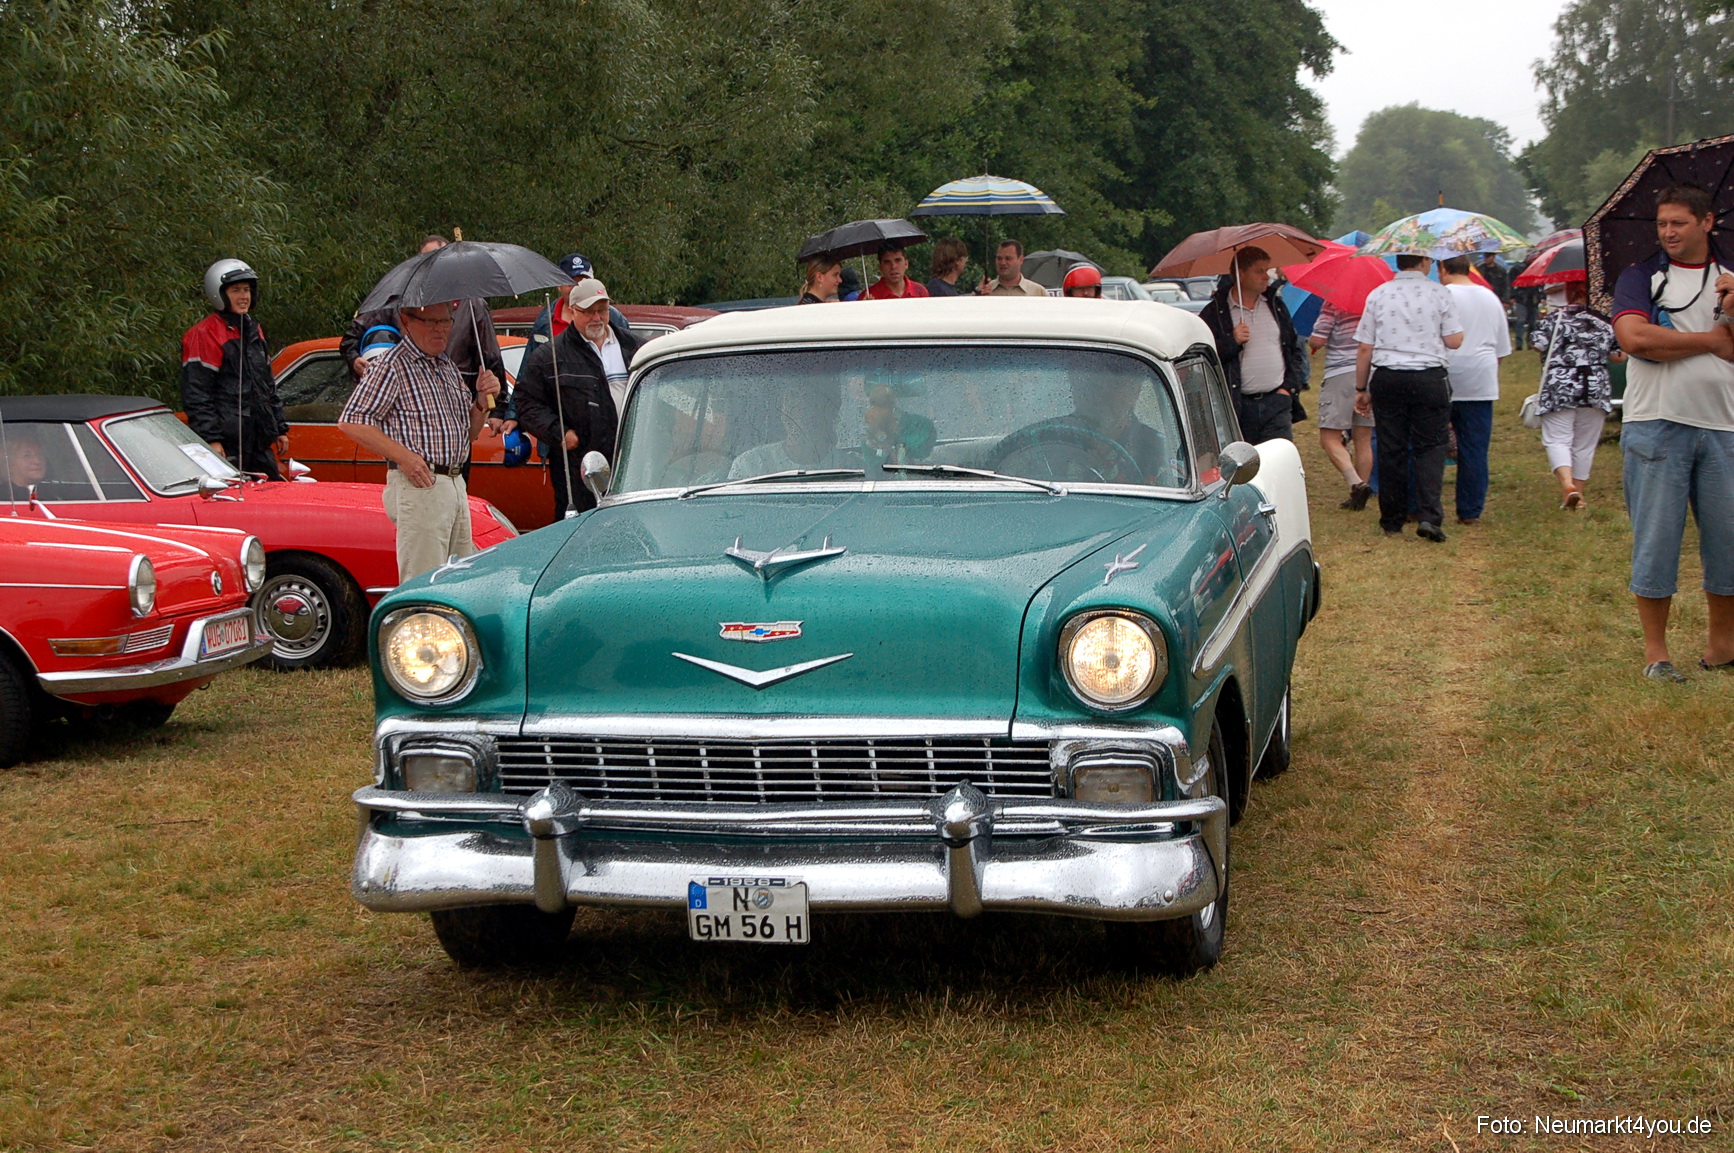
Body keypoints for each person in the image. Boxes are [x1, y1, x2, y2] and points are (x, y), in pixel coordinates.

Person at [1610, 184, 1734, 681]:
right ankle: (1656, 655)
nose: (1668, 233)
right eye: (1662, 224)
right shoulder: (1640, 277)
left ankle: (1723, 646)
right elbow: (1636, 338)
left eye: (1678, 223)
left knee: (1727, 542)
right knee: (1657, 539)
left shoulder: (1729, 279)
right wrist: (1713, 341)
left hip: (1724, 422)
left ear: (1706, 222)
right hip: (1657, 423)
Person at [337, 300, 501, 581]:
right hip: (420, 485)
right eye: (430, 322)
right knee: (425, 581)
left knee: (460, 580)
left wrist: (483, 403)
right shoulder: (391, 365)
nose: (440, 330)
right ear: (407, 321)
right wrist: (405, 458)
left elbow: (469, 433)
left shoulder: (446, 366)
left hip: (455, 483)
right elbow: (352, 421)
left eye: (446, 321)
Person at [1353, 253, 1465, 542]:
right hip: (1429, 376)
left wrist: (1361, 388)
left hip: (1389, 376)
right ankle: (1429, 515)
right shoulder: (1439, 293)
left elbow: (1365, 346)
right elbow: (1454, 340)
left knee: (1392, 447)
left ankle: (1392, 517)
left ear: (1398, 262)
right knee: (1430, 447)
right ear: (1425, 262)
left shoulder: (1378, 294)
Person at [513, 278, 646, 520]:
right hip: (577, 467)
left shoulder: (634, 346)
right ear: (572, 311)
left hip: (631, 459)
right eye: (589, 312)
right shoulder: (550, 356)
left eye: (602, 310)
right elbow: (526, 403)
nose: (597, 318)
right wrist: (559, 432)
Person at [180, 259, 289, 480]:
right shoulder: (204, 334)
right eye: (236, 290)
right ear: (219, 294)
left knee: (273, 493)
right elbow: (197, 393)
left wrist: (279, 428)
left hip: (257, 439)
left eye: (247, 290)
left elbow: (267, 384)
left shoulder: (253, 329)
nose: (244, 296)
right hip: (228, 441)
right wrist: (211, 439)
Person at [1533, 279, 1622, 511]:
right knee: (1585, 444)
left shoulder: (1554, 319)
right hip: (1595, 386)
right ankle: (1579, 494)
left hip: (1560, 385)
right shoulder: (1604, 321)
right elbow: (1618, 356)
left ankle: (1567, 484)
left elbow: (1537, 344)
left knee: (1558, 439)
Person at [1201, 247, 1303, 443]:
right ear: (1241, 274)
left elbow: (1293, 349)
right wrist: (1233, 341)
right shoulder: (1215, 312)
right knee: (1246, 467)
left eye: (1267, 270)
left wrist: (1287, 388)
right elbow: (1205, 357)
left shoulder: (1276, 305)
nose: (1267, 277)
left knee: (1278, 461)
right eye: (1260, 271)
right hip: (1237, 406)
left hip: (1277, 401)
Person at [1438, 255, 1511, 525]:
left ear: (1442, 268)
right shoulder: (1490, 298)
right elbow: (1502, 348)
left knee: (1431, 445)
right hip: (1480, 377)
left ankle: (1426, 503)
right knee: (1475, 448)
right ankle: (1470, 509)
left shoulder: (1440, 295)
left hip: (1442, 375)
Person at [1308, 300, 1373, 509]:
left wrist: (1313, 338)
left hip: (1341, 373)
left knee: (1329, 437)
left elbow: (1317, 340)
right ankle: (1359, 494)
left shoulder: (1334, 303)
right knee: (1363, 438)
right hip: (1370, 372)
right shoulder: (1373, 303)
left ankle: (1356, 483)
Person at [978, 240, 1048, 296]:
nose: (1003, 263)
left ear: (1021, 260)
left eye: (1008, 258)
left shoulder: (1038, 292)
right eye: (999, 258)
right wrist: (980, 300)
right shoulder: (983, 291)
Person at [863, 243, 929, 300]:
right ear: (880, 267)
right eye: (887, 262)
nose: (893, 266)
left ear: (906, 264)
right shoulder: (868, 296)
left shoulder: (920, 291)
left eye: (898, 260)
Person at [1, 426, 46, 500]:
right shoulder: (3, 498)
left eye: (39, 454)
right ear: (9, 464)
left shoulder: (52, 494)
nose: (37, 461)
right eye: (27, 456)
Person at [1510, 281, 1542, 351]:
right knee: (1521, 321)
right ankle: (1519, 344)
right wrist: (1513, 296)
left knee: (1532, 324)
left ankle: (1530, 343)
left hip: (1533, 301)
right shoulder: (1517, 270)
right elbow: (1513, 283)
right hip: (1521, 299)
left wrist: (1541, 296)